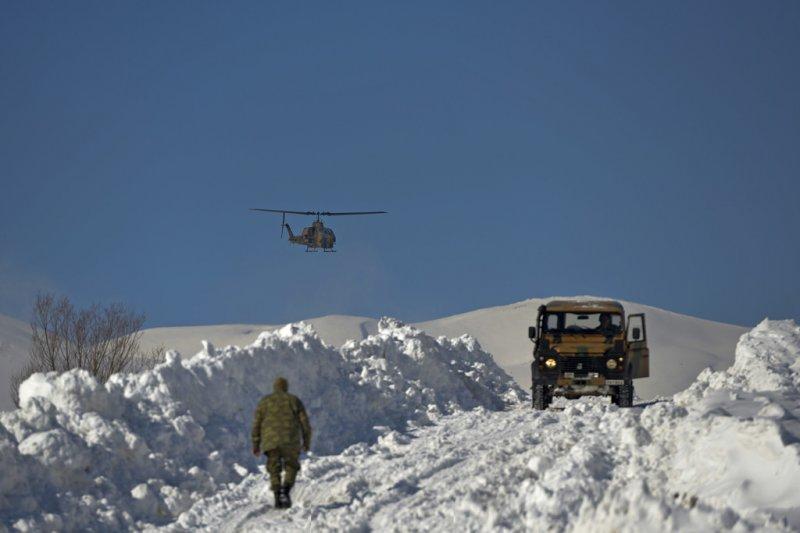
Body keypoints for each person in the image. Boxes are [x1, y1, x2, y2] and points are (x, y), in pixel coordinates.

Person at [251, 377, 312, 509]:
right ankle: (286, 489)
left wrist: (256, 444)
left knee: (274, 468)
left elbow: (256, 424)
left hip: (270, 442)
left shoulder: (264, 402)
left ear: (275, 387)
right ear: (285, 387)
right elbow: (305, 423)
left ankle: (278, 493)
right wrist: (306, 441)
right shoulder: (294, 400)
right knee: (291, 465)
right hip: (290, 440)